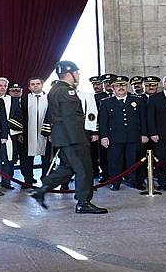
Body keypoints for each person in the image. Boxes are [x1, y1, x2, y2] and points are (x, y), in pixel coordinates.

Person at [31, 61, 107, 214]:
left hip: (64, 138)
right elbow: (71, 118)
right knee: (84, 169)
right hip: (73, 138)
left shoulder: (55, 89)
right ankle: (83, 203)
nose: (78, 75)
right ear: (68, 74)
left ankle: (42, 189)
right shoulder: (66, 91)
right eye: (76, 72)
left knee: (68, 168)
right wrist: (81, 139)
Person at [98, 75, 148, 190]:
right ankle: (115, 182)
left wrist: (144, 134)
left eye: (123, 85)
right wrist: (104, 137)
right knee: (115, 161)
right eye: (117, 86)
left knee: (133, 160)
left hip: (133, 136)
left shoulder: (137, 100)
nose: (121, 88)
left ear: (127, 86)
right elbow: (103, 121)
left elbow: (143, 119)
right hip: (114, 138)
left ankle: (133, 181)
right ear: (113, 88)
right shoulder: (106, 102)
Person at [0, 77, 24, 190]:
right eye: (0, 85)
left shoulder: (14, 100)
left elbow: (20, 117)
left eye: (5, 86)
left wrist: (7, 125)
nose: (3, 88)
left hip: (11, 134)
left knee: (10, 159)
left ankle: (7, 181)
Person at [19, 77, 52, 185]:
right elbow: (21, 116)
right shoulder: (24, 98)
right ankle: (28, 179)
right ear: (29, 87)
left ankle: (46, 180)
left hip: (46, 132)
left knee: (46, 157)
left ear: (42, 85)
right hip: (29, 133)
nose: (35, 86)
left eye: (38, 83)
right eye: (32, 84)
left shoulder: (49, 98)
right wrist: (21, 132)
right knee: (27, 158)